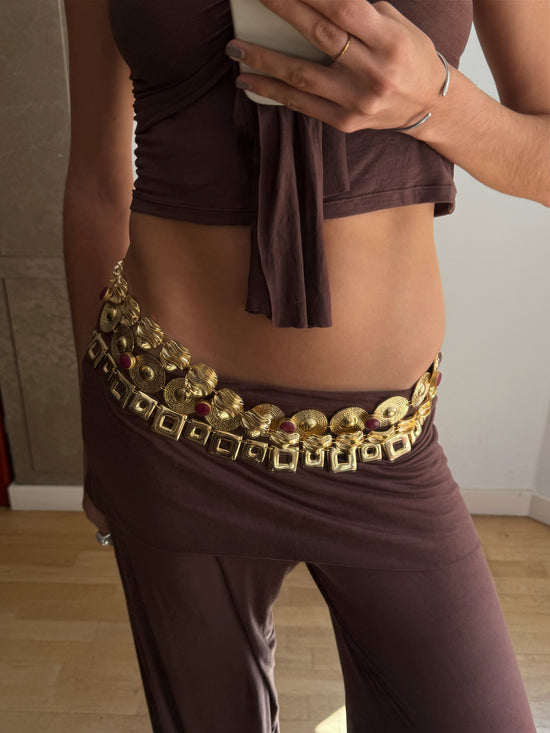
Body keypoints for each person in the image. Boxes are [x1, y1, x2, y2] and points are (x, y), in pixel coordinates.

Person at [63, 0, 548, 730]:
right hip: (167, 429)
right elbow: (97, 184)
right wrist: (94, 425)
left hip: (384, 451)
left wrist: (436, 102)